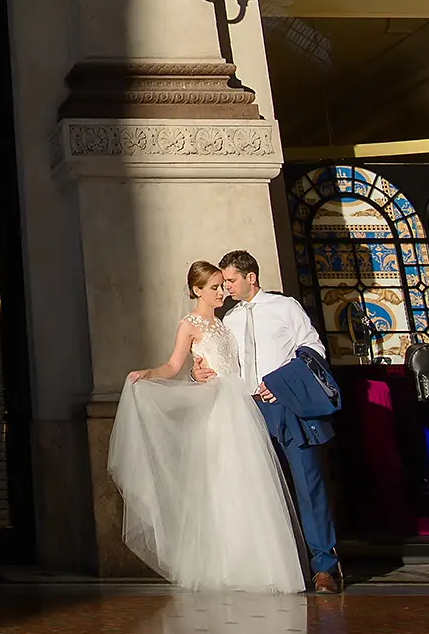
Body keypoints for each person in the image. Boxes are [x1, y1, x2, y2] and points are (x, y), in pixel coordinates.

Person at [106, 260, 306, 593]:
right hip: (217, 408)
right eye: (214, 287)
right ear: (197, 290)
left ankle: (260, 564)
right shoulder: (190, 324)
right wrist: (149, 374)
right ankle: (225, 565)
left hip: (241, 403)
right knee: (220, 483)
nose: (221, 292)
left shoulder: (228, 322)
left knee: (252, 484)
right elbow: (173, 364)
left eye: (222, 285)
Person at [195, 249, 344, 594]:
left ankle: (324, 566)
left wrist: (281, 384)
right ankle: (282, 566)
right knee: (262, 489)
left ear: (251, 277)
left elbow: (313, 349)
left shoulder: (285, 307)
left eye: (230, 280)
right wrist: (198, 371)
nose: (225, 287)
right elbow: (222, 363)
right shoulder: (227, 320)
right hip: (246, 411)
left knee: (308, 485)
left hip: (286, 407)